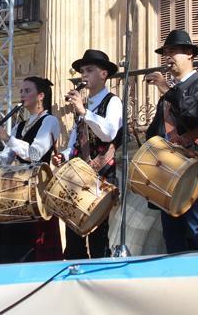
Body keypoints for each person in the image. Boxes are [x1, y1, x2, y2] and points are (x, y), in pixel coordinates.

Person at [145, 30, 198, 253]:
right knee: (173, 239)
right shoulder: (171, 93)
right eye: (166, 53)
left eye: (173, 52)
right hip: (169, 176)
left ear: (189, 55)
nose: (168, 58)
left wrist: (166, 90)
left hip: (193, 174)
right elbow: (156, 131)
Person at [53, 49, 123, 259]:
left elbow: (109, 132)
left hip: (101, 176)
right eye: (82, 71)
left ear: (103, 74)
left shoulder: (113, 102)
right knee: (73, 233)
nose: (84, 75)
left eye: (89, 70)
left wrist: (85, 112)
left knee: (98, 235)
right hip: (78, 177)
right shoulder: (84, 107)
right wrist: (64, 156)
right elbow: (75, 140)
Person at [0, 77, 63, 264]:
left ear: (40, 96)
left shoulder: (50, 121)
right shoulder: (19, 125)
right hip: (18, 191)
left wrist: (7, 137)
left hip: (37, 191)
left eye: (27, 91)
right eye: (21, 91)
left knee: (34, 249)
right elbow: (7, 156)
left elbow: (35, 154)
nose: (22, 95)